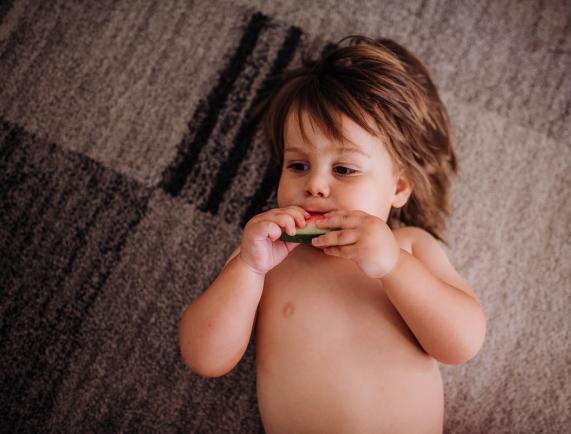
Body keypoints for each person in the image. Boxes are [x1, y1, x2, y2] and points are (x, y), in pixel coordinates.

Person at [178, 35, 486, 433]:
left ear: (397, 188)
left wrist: (394, 266)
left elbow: (461, 344)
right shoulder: (266, 258)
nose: (316, 185)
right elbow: (204, 357)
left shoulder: (408, 245)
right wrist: (248, 269)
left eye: (344, 170)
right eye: (298, 166)